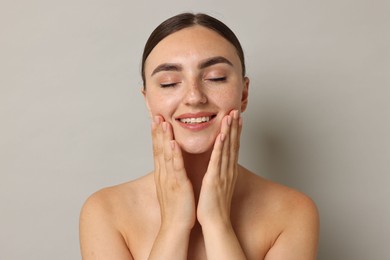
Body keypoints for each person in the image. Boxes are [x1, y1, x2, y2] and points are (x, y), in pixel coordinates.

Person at [79, 12, 319, 260]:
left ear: (244, 94)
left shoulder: (292, 211)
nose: (194, 97)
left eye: (216, 78)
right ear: (147, 100)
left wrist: (217, 223)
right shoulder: (105, 211)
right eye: (169, 83)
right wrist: (173, 225)